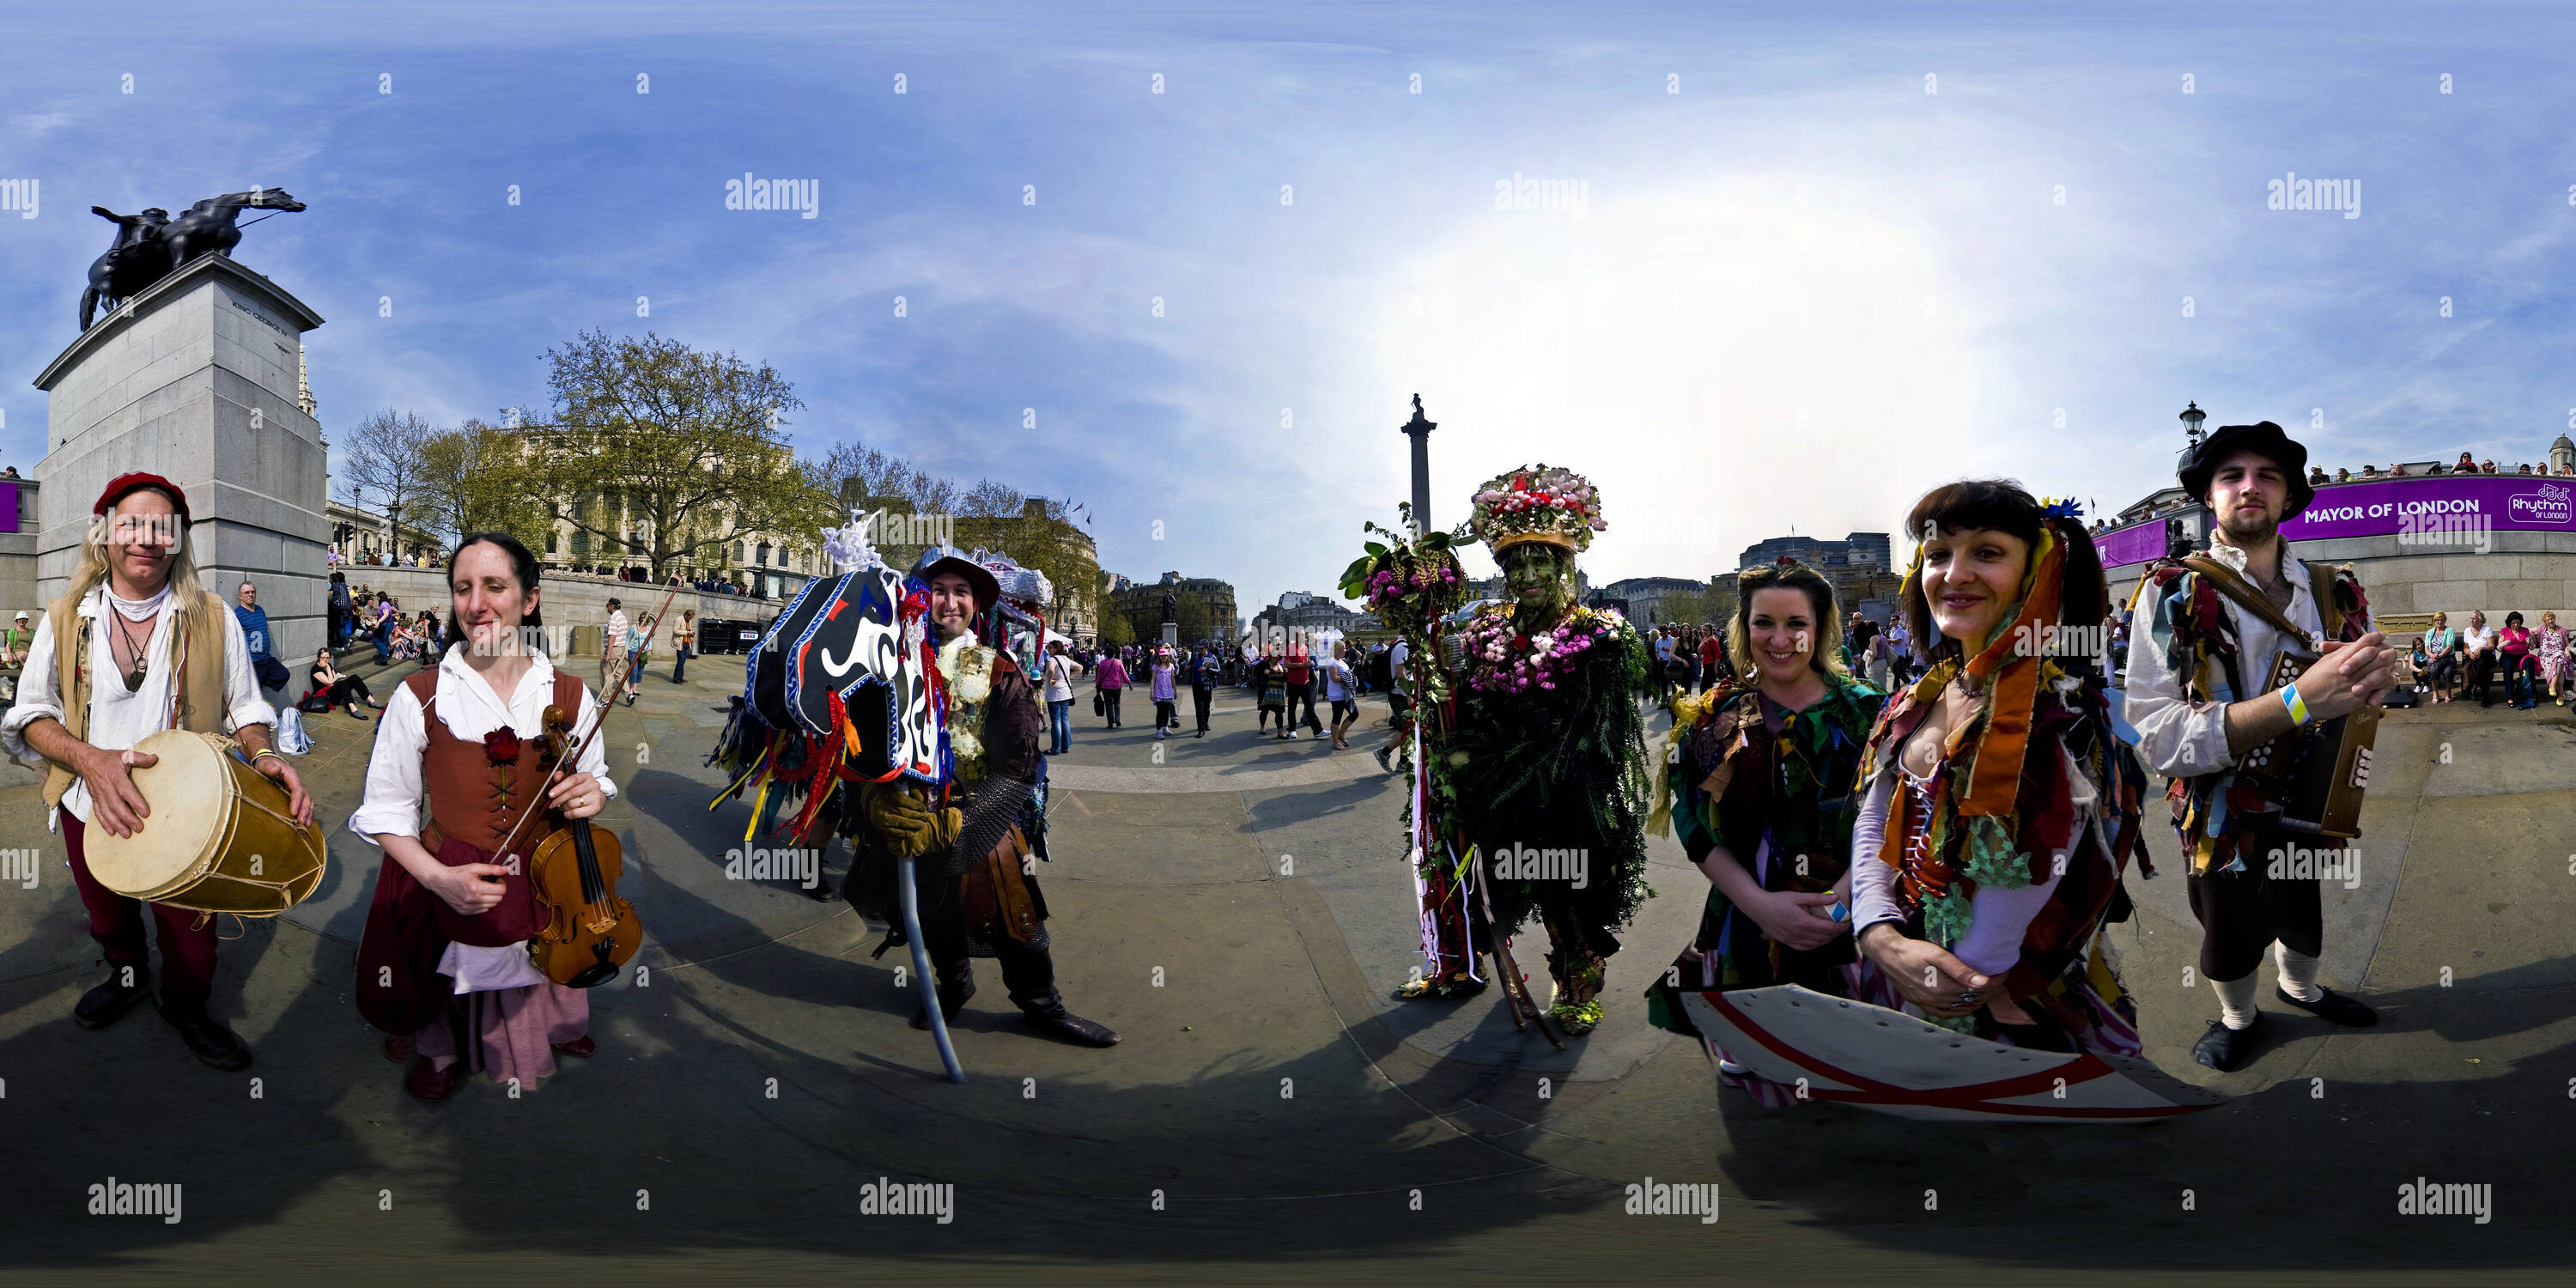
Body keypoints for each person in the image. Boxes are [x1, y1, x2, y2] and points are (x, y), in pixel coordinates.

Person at [0, 473, 313, 1070]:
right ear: (105, 535)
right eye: (132, 523)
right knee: (109, 917)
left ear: (178, 540)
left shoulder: (213, 615)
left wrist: (264, 754)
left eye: (162, 526)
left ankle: (187, 1005)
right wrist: (89, 761)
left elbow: (246, 706)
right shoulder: (65, 616)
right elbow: (31, 716)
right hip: (90, 805)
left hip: (190, 811)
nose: (146, 537)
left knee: (192, 939)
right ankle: (128, 978)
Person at [1849, 484, 2152, 1064]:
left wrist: (1968, 976)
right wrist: (1878, 932)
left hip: (1994, 984)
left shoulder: (2061, 709)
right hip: (1907, 960)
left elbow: (2041, 856)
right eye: (1938, 555)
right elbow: (1874, 821)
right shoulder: (1917, 696)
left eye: (1987, 553)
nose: (1955, 573)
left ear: (2039, 572)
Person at [2125, 421, 2395, 1072]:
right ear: (2209, 497)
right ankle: (2238, 1016)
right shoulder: (2171, 589)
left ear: (2289, 495)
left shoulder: (2334, 586)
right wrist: (2298, 702)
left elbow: (2367, 679)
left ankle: (2301, 988)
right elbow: (2158, 733)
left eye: (2267, 475)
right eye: (2232, 476)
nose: (2250, 487)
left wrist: (2376, 680)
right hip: (2225, 803)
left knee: (2304, 902)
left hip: (2316, 787)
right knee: (2231, 926)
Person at [352, 532, 615, 1102]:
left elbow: (596, 778)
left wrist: (593, 794)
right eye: (463, 588)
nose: (477, 603)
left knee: (547, 955)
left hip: (548, 876)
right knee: (443, 970)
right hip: (448, 869)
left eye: (495, 586)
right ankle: (440, 1052)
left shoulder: (570, 694)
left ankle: (555, 1026)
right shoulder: (419, 694)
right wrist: (437, 878)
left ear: (529, 598)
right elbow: (386, 809)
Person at [1414, 465, 1652, 1036]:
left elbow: (1607, 733)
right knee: (1516, 882)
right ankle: (1530, 962)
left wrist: (1552, 766)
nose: (1526, 573)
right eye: (1515, 563)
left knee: (1569, 889)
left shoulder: (1598, 634)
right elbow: (1471, 712)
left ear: (1561, 563)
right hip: (1502, 796)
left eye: (1538, 560)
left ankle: (1577, 981)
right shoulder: (1484, 635)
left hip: (1574, 797)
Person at [850, 546, 1119, 1047]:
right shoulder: (892, 665)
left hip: (981, 818)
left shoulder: (998, 668)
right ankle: (954, 987)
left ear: (977, 605)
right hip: (913, 821)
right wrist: (877, 802)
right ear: (920, 598)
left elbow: (1019, 760)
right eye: (939, 590)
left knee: (1021, 924)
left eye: (961, 592)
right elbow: (861, 746)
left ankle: (1043, 1007)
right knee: (932, 916)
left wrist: (963, 825)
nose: (949, 602)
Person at [1644, 559, 1890, 1099]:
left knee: (1853, 1063)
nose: (1780, 640)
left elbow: (1893, 820)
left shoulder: (1875, 714)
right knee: (1757, 1054)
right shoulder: (1712, 718)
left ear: (1821, 628)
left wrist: (1841, 908)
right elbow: (1694, 826)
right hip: (1746, 918)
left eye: (1796, 624)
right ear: (1744, 626)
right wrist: (1759, 905)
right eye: (1764, 623)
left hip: (1852, 912)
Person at [311, 647, 380, 719]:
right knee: (342, 683)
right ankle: (353, 709)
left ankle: (371, 701)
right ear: (319, 657)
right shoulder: (315, 669)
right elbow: (330, 682)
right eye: (323, 657)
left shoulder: (329, 665)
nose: (325, 660)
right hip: (325, 697)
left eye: (328, 658)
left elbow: (335, 678)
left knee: (354, 677)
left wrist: (339, 678)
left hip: (334, 692)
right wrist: (327, 667)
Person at [2496, 611, 2538, 709]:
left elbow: (2532, 648)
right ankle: (2510, 696)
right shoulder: (2504, 631)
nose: (2516, 625)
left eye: (2518, 623)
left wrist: (2530, 642)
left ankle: (2531, 694)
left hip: (2522, 655)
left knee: (2528, 665)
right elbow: (2499, 648)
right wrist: (2504, 644)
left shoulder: (2525, 631)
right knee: (2508, 667)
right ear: (2509, 623)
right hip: (2508, 655)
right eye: (2514, 623)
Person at [1042, 639, 1077, 754]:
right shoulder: (1066, 659)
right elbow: (1079, 668)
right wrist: (1069, 678)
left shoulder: (1052, 659)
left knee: (1056, 721)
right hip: (1066, 692)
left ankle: (1056, 748)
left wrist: (1049, 678)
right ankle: (1066, 746)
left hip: (1055, 694)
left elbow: (1051, 669)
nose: (1048, 649)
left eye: (1050, 647)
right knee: (1065, 719)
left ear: (1056, 648)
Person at [1324, 641, 1360, 750]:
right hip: (1336, 694)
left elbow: (1345, 674)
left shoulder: (1341, 661)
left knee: (1354, 714)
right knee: (1337, 717)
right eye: (1344, 648)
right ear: (1338, 649)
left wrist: (1349, 676)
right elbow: (1334, 678)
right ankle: (1335, 742)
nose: (1346, 650)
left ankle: (1341, 734)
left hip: (1345, 694)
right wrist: (1348, 676)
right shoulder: (1332, 662)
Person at [1279, 642, 1315, 740]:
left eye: (1303, 635)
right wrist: (1302, 665)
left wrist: (1310, 662)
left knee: (1309, 706)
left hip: (1305, 681)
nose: (1302, 637)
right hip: (1293, 682)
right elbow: (1286, 664)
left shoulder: (1306, 648)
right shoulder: (1291, 648)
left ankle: (1317, 730)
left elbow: (1307, 660)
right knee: (1292, 707)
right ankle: (1292, 730)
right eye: (1299, 635)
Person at [2422, 611, 2460, 702]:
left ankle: (2448, 692)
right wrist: (2432, 655)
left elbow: (2449, 647)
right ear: (2434, 621)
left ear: (2445, 621)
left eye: (2442, 620)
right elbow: (2426, 648)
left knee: (2448, 672)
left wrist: (2438, 656)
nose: (2439, 622)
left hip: (2447, 658)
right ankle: (2435, 692)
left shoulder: (2449, 630)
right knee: (2433, 670)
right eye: (2437, 620)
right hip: (2433, 658)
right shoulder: (2430, 632)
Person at [2461, 610, 2496, 706]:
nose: (2472, 620)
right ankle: (2485, 696)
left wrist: (2480, 648)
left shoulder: (2487, 629)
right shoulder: (2467, 631)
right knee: (2481, 667)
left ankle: (2475, 684)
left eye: (2474, 619)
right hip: (2474, 659)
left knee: (2483, 656)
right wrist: (2470, 653)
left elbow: (2492, 646)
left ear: (2481, 620)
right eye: (2471, 618)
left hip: (2488, 657)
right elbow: (2465, 648)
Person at [1188, 642, 1220, 738]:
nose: (1200, 650)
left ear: (1206, 648)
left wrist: (1207, 669)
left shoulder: (1211, 658)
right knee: (1199, 708)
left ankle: (1205, 723)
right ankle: (1201, 729)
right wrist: (1188, 668)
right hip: (1196, 685)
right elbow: (1190, 665)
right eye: (1199, 648)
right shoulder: (1195, 656)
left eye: (1201, 649)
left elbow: (1218, 671)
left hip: (1207, 686)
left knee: (1206, 707)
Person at [2537, 611, 2568, 706]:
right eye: (2548, 619)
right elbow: (2528, 630)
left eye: (2552, 618)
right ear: (2545, 622)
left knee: (2559, 657)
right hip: (2546, 655)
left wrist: (2567, 651)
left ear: (2554, 619)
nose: (2550, 621)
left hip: (2558, 653)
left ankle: (2553, 686)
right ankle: (2560, 695)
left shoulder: (2561, 630)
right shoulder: (2541, 629)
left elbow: (2566, 645)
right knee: (2559, 661)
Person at [1149, 645, 1179, 738]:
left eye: (1165, 655)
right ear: (1159, 657)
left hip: (1168, 692)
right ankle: (1158, 731)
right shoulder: (1155, 667)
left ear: (1168, 656)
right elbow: (1153, 679)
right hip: (1158, 692)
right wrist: (1151, 692)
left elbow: (1173, 679)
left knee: (1166, 711)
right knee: (1160, 712)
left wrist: (1175, 691)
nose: (1164, 657)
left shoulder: (1171, 666)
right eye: (1162, 656)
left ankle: (1165, 727)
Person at [600, 598, 629, 695]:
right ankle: (628, 694)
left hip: (613, 649)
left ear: (612, 606)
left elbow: (612, 637)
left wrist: (607, 653)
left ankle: (605, 699)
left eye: (607, 605)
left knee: (607, 675)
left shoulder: (614, 618)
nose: (606, 607)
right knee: (619, 674)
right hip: (621, 649)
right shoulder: (623, 618)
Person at [1094, 647, 1127, 727]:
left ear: (1105, 654)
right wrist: (1129, 683)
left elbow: (1099, 676)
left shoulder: (1102, 663)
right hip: (1116, 686)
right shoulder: (1118, 662)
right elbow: (1124, 674)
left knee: (1108, 704)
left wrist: (1097, 685)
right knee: (1117, 703)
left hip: (1105, 687)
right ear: (1114, 654)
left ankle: (1110, 722)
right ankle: (1117, 719)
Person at [671, 609, 695, 683]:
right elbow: (675, 631)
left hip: (687, 643)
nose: (691, 619)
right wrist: (687, 633)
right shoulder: (678, 619)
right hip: (680, 643)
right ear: (686, 615)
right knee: (681, 661)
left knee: (683, 661)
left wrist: (691, 633)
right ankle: (676, 679)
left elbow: (688, 629)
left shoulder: (688, 621)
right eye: (690, 617)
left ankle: (680, 677)